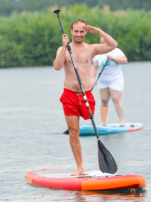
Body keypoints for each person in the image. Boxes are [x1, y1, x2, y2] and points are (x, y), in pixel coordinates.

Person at [53, 19, 118, 176]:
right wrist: (63, 47)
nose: (79, 34)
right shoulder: (63, 49)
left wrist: (100, 31)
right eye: (76, 31)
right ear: (70, 31)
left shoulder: (91, 49)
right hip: (69, 95)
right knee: (74, 131)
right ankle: (80, 167)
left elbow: (113, 45)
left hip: (86, 95)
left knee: (88, 122)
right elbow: (57, 66)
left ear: (86, 32)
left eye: (82, 31)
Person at [91, 37, 128, 126]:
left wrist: (113, 58)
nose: (103, 44)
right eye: (102, 43)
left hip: (115, 79)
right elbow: (94, 67)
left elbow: (124, 61)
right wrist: (93, 79)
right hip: (103, 81)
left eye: (105, 43)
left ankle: (122, 121)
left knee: (116, 100)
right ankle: (103, 123)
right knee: (104, 101)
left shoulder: (116, 51)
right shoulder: (98, 53)